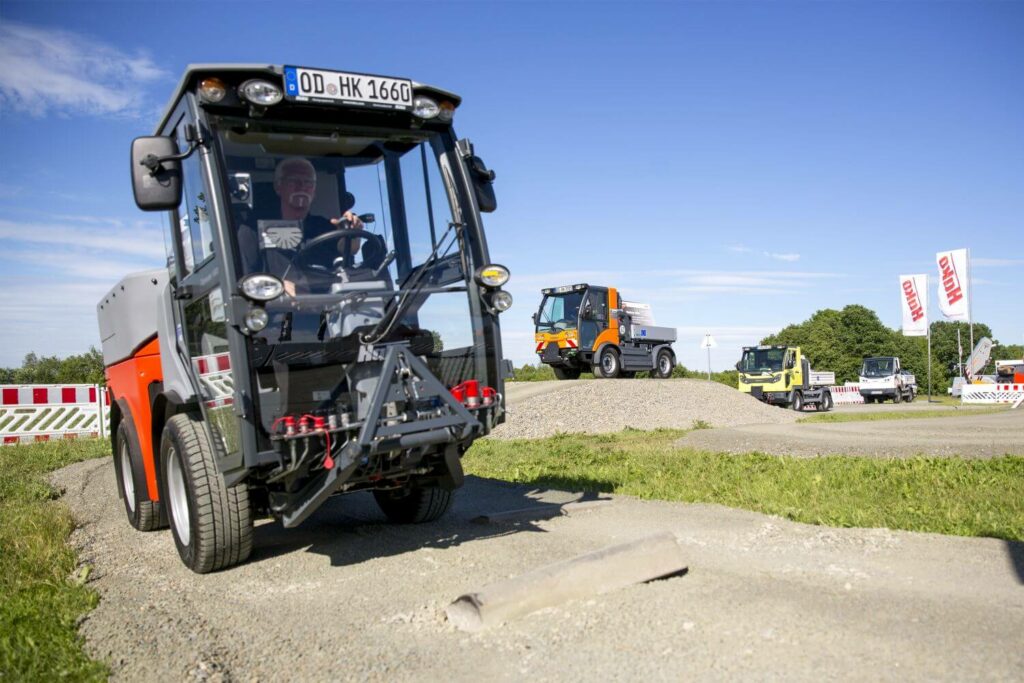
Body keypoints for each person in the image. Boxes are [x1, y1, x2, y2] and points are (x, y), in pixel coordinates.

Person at [238, 157, 364, 294]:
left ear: (314, 191)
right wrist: (276, 286)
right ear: (278, 187)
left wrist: (351, 237)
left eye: (308, 182)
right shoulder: (251, 231)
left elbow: (345, 257)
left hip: (329, 311)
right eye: (293, 181)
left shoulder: (327, 229)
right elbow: (243, 283)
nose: (302, 186)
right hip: (277, 312)